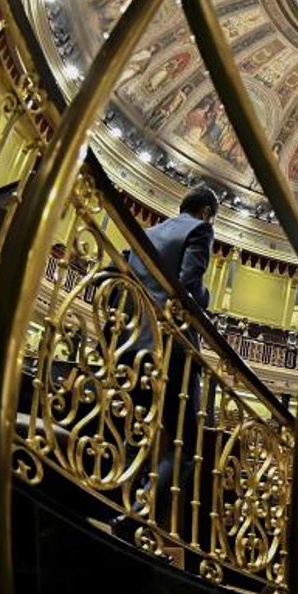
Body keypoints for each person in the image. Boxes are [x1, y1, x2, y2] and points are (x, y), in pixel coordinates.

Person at [116, 185, 217, 533]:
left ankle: (116, 502)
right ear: (206, 212)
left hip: (134, 342)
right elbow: (187, 286)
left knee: (136, 431)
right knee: (186, 446)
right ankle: (137, 515)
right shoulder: (200, 230)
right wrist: (206, 297)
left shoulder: (146, 234)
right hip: (171, 347)